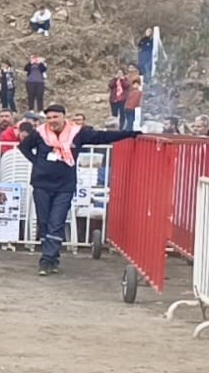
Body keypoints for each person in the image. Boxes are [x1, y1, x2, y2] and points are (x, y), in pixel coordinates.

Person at [18, 105, 137, 275]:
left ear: (63, 117)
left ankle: (46, 261)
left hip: (64, 186)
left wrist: (130, 134)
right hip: (41, 184)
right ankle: (52, 258)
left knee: (56, 222)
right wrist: (37, 162)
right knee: (44, 222)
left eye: (55, 117)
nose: (52, 121)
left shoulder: (77, 133)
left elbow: (102, 137)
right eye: (49, 117)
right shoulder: (39, 133)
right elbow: (24, 147)